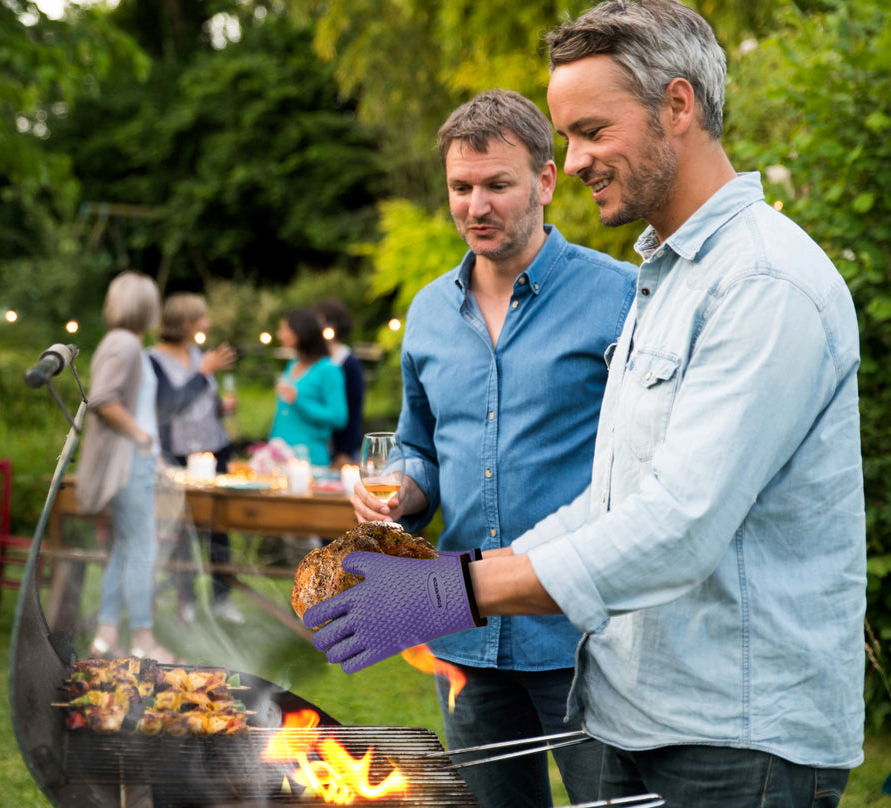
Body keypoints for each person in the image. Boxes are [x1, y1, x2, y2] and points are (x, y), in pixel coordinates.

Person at [304, 4, 867, 807]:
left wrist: (442, 591)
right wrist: (448, 580)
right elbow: (609, 503)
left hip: (741, 739)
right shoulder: (665, 282)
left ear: (678, 106)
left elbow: (676, 524)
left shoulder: (761, 283)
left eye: (591, 131)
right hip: (642, 713)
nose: (571, 164)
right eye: (567, 138)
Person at [349, 89, 637, 808]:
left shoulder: (622, 297)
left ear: (544, 181)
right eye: (461, 187)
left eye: (496, 184)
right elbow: (419, 445)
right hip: (463, 639)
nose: (476, 204)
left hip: (582, 636)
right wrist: (403, 489)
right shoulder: (425, 312)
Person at [76, 271, 179, 663]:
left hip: (138, 465)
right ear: (146, 306)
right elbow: (103, 399)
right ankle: (142, 639)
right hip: (128, 467)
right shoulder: (123, 344)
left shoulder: (128, 344)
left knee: (126, 548)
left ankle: (105, 637)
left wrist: (154, 456)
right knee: (142, 550)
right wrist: (142, 439)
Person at [148, 292, 243, 624]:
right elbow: (170, 405)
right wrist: (204, 372)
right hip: (178, 455)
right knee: (184, 531)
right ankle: (185, 600)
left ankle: (222, 600)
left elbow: (202, 404)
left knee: (219, 527)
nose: (207, 323)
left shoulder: (197, 354)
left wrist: (222, 408)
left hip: (214, 449)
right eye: (201, 318)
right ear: (187, 323)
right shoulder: (153, 360)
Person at [269, 307, 348, 468]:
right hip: (279, 459)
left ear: (301, 332)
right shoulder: (292, 365)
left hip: (309, 461)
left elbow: (339, 417)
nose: (280, 334)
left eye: (285, 329)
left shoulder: (329, 370)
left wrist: (299, 400)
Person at [312, 298, 366, 468]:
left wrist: (345, 452)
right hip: (319, 446)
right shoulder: (314, 361)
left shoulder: (349, 363)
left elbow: (354, 410)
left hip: (343, 448)